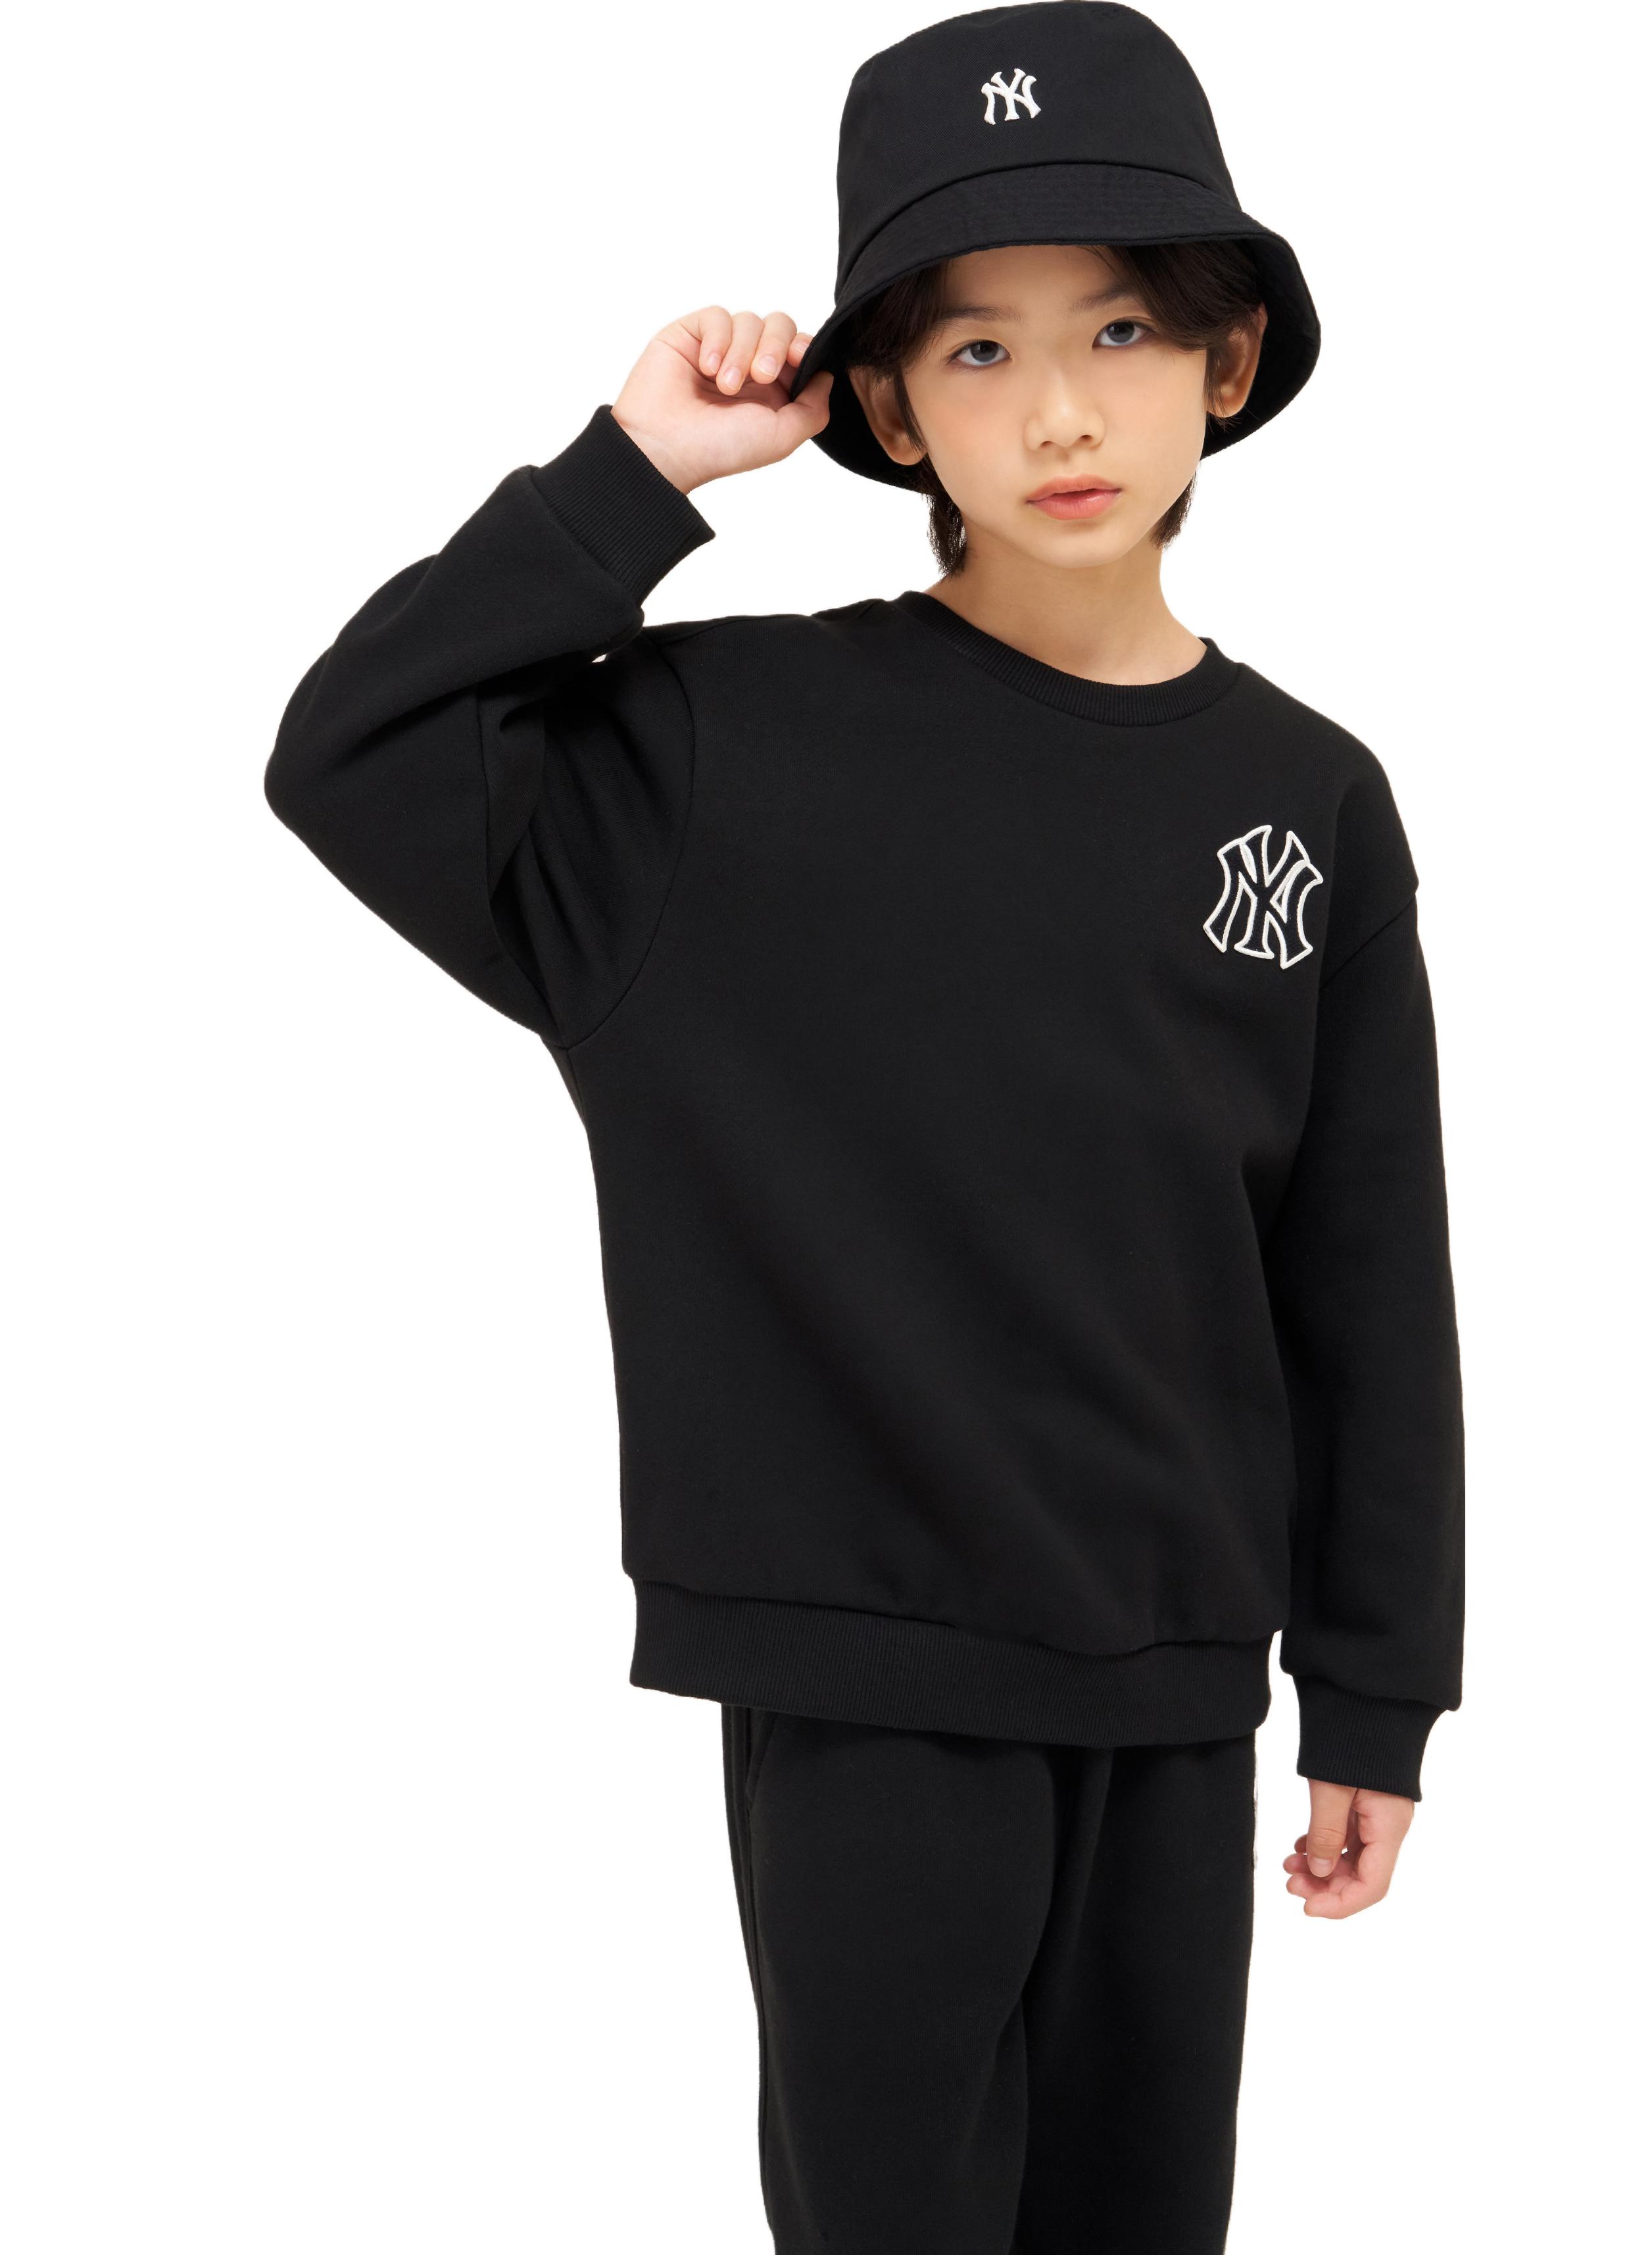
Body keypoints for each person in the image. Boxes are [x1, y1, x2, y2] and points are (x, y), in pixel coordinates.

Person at [264, 4, 1463, 2246]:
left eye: (1120, 328)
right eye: (978, 350)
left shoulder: (1306, 799)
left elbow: (1365, 1272)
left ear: (1225, 362)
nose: (1062, 407)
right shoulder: (714, 751)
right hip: (861, 1662)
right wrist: (629, 477)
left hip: (1175, 1664)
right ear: (886, 406)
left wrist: (1375, 1687)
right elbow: (354, 754)